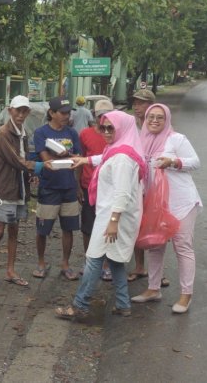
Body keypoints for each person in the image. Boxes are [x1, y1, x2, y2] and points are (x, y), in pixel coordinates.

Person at [54, 111, 147, 320]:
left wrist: (113, 222)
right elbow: (104, 158)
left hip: (114, 217)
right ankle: (123, 304)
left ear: (122, 129)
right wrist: (84, 160)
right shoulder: (118, 150)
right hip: (113, 215)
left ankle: (80, 305)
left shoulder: (123, 157)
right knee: (114, 261)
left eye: (110, 128)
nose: (105, 132)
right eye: (102, 127)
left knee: (94, 259)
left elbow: (122, 193)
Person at [131, 104, 202, 314]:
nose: (154, 120)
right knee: (155, 245)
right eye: (150, 116)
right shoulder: (139, 141)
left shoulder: (176, 139)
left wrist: (173, 161)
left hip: (181, 202)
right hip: (154, 203)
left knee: (183, 247)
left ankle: (185, 295)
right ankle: (153, 289)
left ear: (166, 120)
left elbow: (196, 162)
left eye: (159, 117)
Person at [0, 95, 40, 289]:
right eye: (18, 110)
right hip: (4, 189)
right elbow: (16, 160)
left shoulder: (23, 132)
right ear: (10, 110)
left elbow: (23, 158)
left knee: (14, 229)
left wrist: (30, 174)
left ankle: (10, 270)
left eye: (24, 111)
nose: (21, 114)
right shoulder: (3, 132)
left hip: (20, 188)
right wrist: (40, 167)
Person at [32, 97, 82, 281]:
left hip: (69, 187)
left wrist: (77, 185)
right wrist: (57, 155)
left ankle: (65, 264)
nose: (66, 116)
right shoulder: (41, 133)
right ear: (52, 113)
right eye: (62, 113)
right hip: (49, 188)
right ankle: (41, 262)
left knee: (68, 228)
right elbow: (46, 161)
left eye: (68, 113)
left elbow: (78, 158)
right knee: (42, 229)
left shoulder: (73, 133)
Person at [78, 98, 114, 281]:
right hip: (88, 186)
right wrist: (77, 186)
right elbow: (81, 160)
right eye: (101, 116)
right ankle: (89, 260)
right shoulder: (85, 134)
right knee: (88, 227)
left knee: (108, 227)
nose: (104, 120)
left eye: (108, 116)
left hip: (109, 189)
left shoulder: (117, 135)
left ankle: (106, 264)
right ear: (95, 116)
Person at [127, 87, 156, 282]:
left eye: (141, 103)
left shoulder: (157, 125)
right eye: (135, 103)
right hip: (135, 182)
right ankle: (139, 267)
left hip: (154, 185)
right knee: (136, 224)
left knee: (154, 229)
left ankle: (157, 272)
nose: (137, 107)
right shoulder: (131, 125)